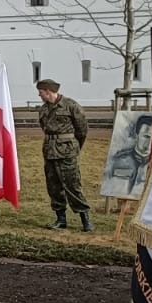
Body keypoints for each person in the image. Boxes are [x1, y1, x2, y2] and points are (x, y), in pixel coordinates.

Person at [35, 79, 91, 231]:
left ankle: (85, 219)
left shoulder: (71, 106)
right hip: (49, 152)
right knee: (53, 187)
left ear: (48, 91)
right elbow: (44, 128)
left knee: (73, 185)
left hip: (67, 152)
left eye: (41, 92)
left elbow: (82, 130)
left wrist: (74, 147)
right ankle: (61, 219)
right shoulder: (43, 109)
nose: (39, 95)